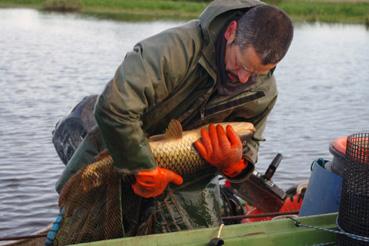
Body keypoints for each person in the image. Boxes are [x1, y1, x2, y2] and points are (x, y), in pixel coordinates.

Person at [55, 0, 293, 239]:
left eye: (257, 73)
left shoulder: (264, 91)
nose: (244, 79)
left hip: (189, 184)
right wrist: (145, 169)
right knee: (87, 233)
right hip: (122, 154)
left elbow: (250, 148)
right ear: (231, 32)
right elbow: (114, 107)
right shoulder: (176, 48)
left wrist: (232, 165)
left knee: (203, 240)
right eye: (241, 65)